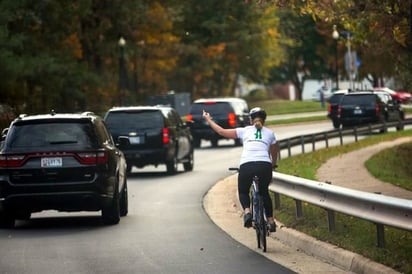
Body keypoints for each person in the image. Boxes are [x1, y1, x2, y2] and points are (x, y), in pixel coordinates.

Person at [202, 107, 279, 232]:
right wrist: (273, 164)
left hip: (247, 165)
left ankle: (247, 212)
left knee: (243, 191)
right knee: (264, 192)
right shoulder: (270, 133)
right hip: (264, 165)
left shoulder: (244, 131)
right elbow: (274, 152)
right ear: (264, 120)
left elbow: (221, 131)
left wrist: (208, 119)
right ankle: (270, 221)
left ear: (250, 120)